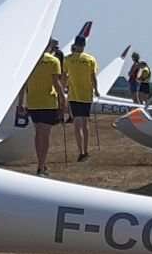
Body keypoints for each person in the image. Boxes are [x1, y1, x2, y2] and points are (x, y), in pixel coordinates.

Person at [22, 37, 70, 175]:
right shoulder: (53, 61)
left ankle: (40, 163)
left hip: (33, 102)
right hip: (48, 102)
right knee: (45, 134)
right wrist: (63, 101)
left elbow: (24, 84)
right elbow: (57, 83)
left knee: (38, 134)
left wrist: (21, 103)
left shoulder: (29, 60)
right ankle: (42, 165)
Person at [63, 33, 99, 163]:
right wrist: (97, 90)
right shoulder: (90, 59)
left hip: (74, 95)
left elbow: (64, 75)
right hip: (86, 95)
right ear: (84, 45)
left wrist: (63, 89)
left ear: (74, 44)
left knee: (77, 124)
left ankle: (80, 152)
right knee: (85, 124)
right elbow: (93, 76)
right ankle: (86, 150)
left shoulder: (67, 59)